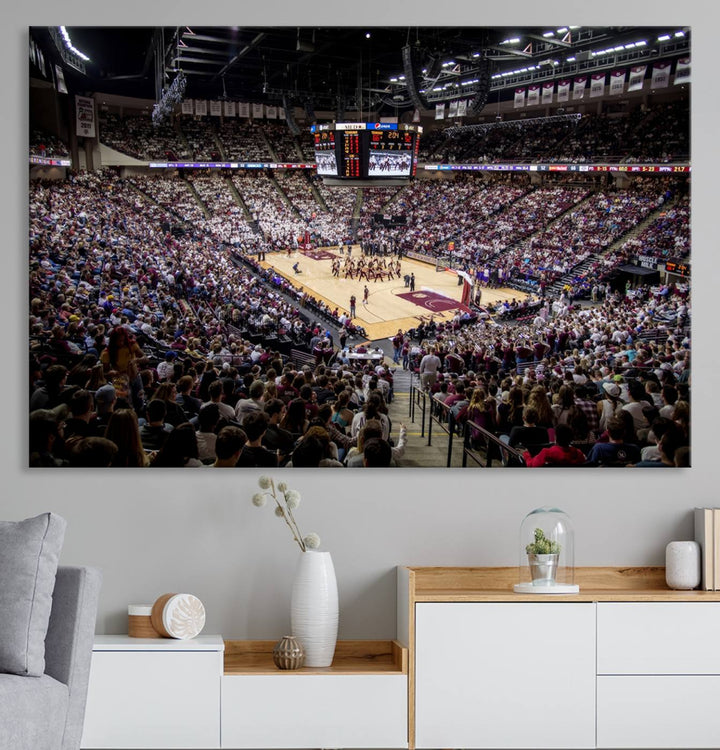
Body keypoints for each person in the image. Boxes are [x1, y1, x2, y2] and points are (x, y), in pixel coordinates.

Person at [523, 424, 587, 467]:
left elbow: (531, 465)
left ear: (556, 438)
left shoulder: (547, 453)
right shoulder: (579, 454)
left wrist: (526, 454)